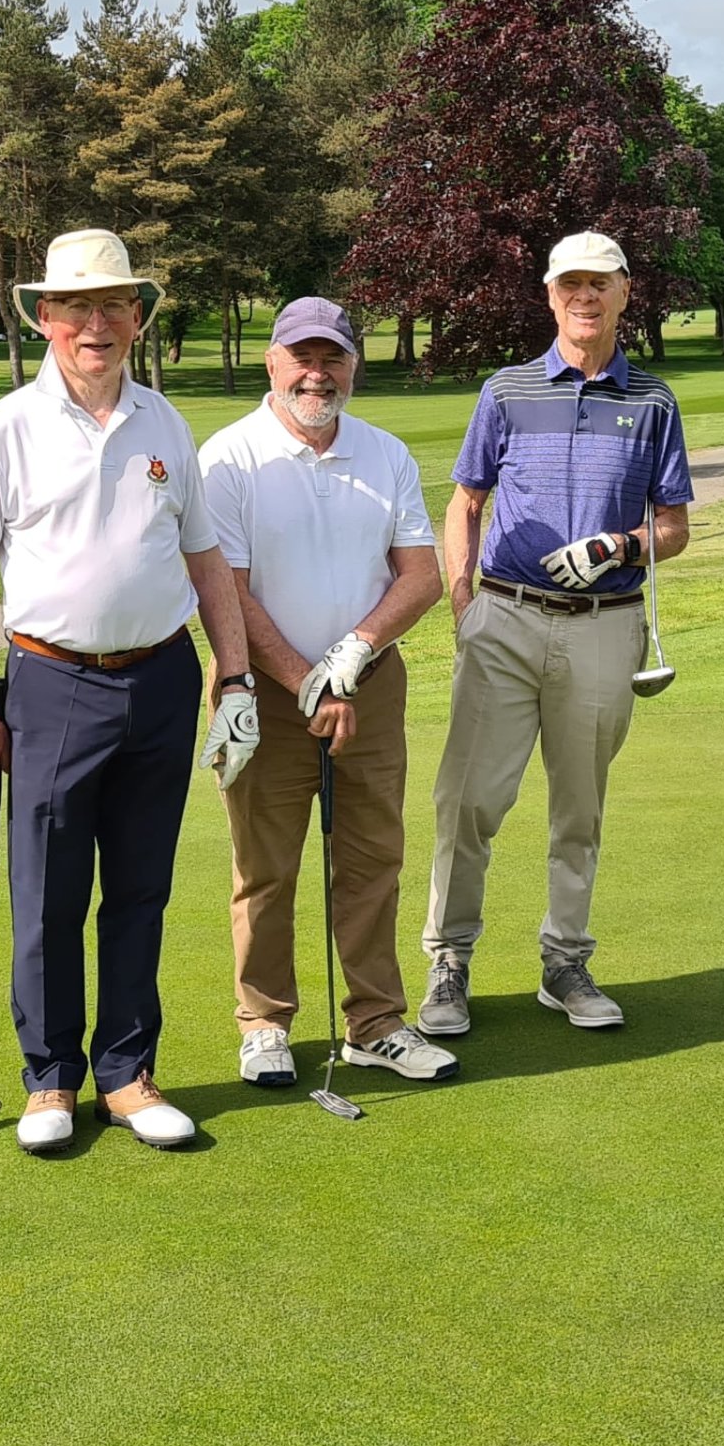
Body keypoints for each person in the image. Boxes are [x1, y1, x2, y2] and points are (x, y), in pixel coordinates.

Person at [0, 227, 259, 1154]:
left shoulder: (164, 422)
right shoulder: (4, 429)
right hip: (49, 683)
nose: (95, 323)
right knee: (46, 895)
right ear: (45, 318)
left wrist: (231, 674)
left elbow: (205, 559)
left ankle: (126, 1073)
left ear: (137, 316)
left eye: (112, 305)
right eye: (75, 307)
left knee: (140, 890)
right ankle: (49, 1081)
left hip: (160, 678)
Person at [418, 232, 692, 1037]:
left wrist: (623, 546)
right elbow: (466, 500)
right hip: (503, 616)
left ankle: (564, 959)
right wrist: (464, 599)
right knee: (467, 800)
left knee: (580, 806)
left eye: (599, 284)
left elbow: (673, 526)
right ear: (549, 296)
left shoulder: (653, 402)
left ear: (624, 295)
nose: (585, 296)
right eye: (570, 283)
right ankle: (449, 960)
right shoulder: (505, 391)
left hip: (606, 625)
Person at [198, 298, 457, 1089]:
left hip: (369, 689)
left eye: (333, 358)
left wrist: (355, 650)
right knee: (266, 867)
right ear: (272, 363)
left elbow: (424, 575)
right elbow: (227, 592)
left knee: (372, 859)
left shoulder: (386, 455)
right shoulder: (228, 458)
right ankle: (265, 1023)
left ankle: (375, 1022)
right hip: (263, 695)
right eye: (301, 358)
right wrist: (308, 679)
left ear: (352, 365)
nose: (318, 374)